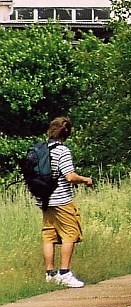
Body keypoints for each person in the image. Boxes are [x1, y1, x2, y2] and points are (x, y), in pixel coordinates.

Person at [38, 116, 93, 288]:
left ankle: (50, 273)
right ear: (67, 132)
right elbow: (70, 177)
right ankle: (64, 273)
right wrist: (85, 180)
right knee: (70, 233)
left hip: (44, 199)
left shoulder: (42, 149)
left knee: (49, 235)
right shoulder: (62, 151)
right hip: (61, 199)